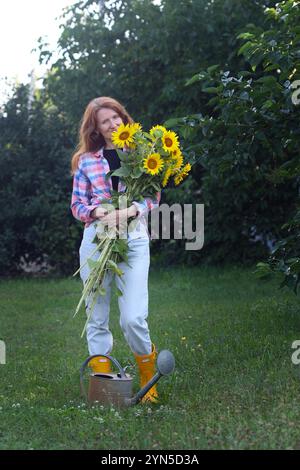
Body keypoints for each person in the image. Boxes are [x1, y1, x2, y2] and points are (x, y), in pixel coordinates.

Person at [70, 96, 160, 403]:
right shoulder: (86, 161)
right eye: (105, 121)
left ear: (124, 118)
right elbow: (77, 206)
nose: (113, 124)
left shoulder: (142, 153)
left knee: (133, 318)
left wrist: (129, 211)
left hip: (133, 239)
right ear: (95, 127)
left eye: (117, 117)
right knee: (96, 316)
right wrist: (97, 213)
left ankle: (149, 379)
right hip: (96, 241)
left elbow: (153, 197)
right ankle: (104, 386)